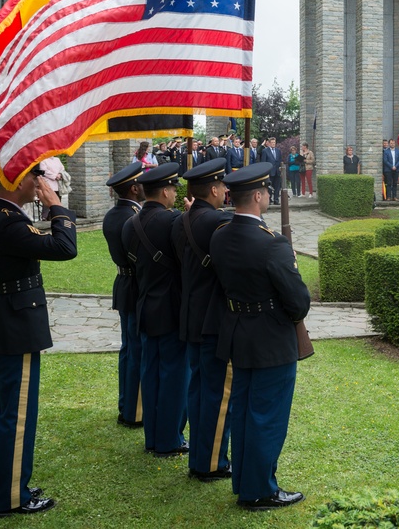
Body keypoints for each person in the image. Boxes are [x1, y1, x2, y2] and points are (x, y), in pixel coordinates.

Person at [0, 165, 77, 517]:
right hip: (14, 330)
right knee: (15, 416)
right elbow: (64, 247)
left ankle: (3, 487)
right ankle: (11, 497)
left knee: (2, 410)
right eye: (34, 177)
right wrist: (57, 205)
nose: (39, 183)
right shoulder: (8, 222)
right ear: (15, 181)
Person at [211, 163, 311, 510]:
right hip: (270, 339)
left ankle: (245, 481)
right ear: (257, 196)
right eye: (266, 191)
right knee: (267, 416)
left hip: (239, 334)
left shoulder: (220, 235)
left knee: (243, 413)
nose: (268, 196)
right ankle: (258, 490)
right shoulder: (273, 243)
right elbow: (299, 301)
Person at [172, 158, 234, 481]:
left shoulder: (180, 221)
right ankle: (211, 463)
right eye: (223, 185)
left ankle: (199, 458)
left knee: (197, 391)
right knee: (216, 394)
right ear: (213, 189)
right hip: (213, 320)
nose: (226, 190)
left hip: (190, 316)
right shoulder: (216, 222)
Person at [121, 163, 189, 458]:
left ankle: (153, 436)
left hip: (145, 305)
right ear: (164, 191)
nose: (174, 193)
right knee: (174, 375)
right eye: (173, 188)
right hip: (172, 307)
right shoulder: (173, 221)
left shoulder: (129, 224)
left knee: (150, 373)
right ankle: (169, 439)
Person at [103, 163, 146, 430]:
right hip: (137, 284)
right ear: (133, 188)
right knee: (137, 350)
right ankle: (135, 411)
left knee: (129, 349)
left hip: (124, 282)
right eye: (142, 182)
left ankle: (126, 404)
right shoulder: (134, 217)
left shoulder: (113, 214)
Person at [263, 138, 282, 205]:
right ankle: (269, 199)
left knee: (277, 187)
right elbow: (264, 162)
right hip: (269, 172)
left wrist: (280, 169)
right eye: (272, 142)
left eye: (274, 142)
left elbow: (279, 160)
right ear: (269, 143)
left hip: (277, 171)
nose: (273, 144)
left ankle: (276, 200)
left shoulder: (278, 151)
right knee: (269, 187)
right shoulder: (265, 151)